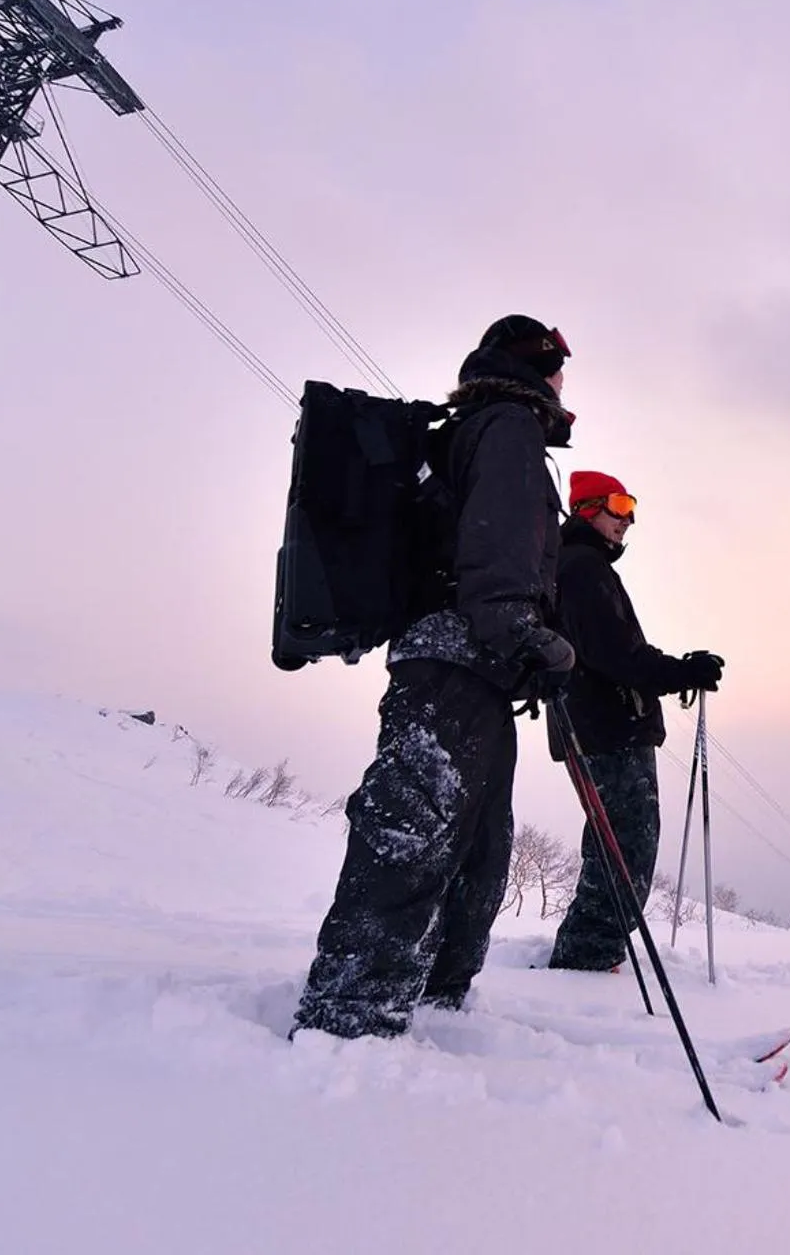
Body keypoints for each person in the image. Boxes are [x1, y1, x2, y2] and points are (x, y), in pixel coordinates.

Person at [293, 315, 576, 1041]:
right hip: (455, 652)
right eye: (559, 366)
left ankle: (437, 998)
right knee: (413, 824)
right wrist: (519, 626)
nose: (565, 382)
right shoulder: (507, 425)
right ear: (536, 364)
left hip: (475, 661)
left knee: (479, 844)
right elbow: (498, 532)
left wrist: (521, 649)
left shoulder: (485, 428)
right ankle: (347, 1014)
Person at [547, 470, 724, 973]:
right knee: (627, 848)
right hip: (605, 729)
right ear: (587, 509)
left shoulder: (582, 566)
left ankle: (590, 953)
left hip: (598, 727)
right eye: (619, 506)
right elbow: (616, 656)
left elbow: (616, 653)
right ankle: (586, 958)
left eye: (631, 507)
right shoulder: (582, 568)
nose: (628, 519)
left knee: (616, 844)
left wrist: (674, 669)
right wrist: (679, 672)